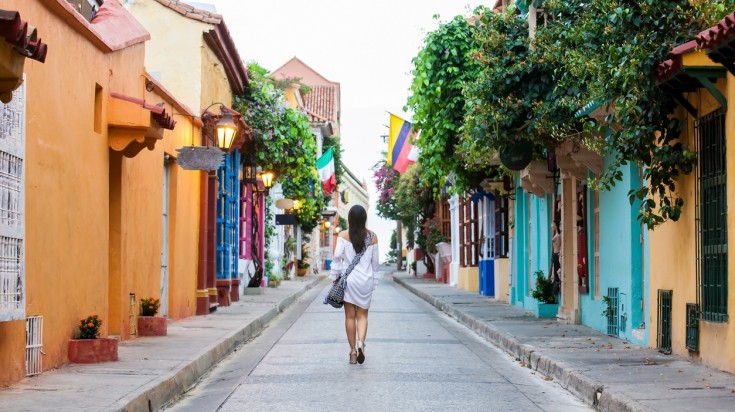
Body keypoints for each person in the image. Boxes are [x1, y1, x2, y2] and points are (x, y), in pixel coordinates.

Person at [329, 205, 379, 365]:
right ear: (364, 218)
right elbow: (375, 264)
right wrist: (374, 282)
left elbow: (337, 259)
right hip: (365, 281)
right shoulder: (372, 237)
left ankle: (352, 351)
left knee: (350, 316)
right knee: (362, 315)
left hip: (349, 281)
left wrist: (334, 277)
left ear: (350, 218)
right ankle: (361, 342)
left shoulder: (343, 235)